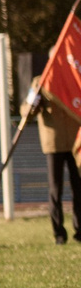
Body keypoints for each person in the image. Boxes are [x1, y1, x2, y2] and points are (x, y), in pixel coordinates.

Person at [41, 87, 81, 246]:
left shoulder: (73, 73)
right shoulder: (41, 82)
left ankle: (80, 231)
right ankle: (59, 233)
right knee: (55, 190)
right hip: (53, 142)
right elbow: (26, 110)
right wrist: (33, 102)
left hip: (75, 142)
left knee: (79, 188)